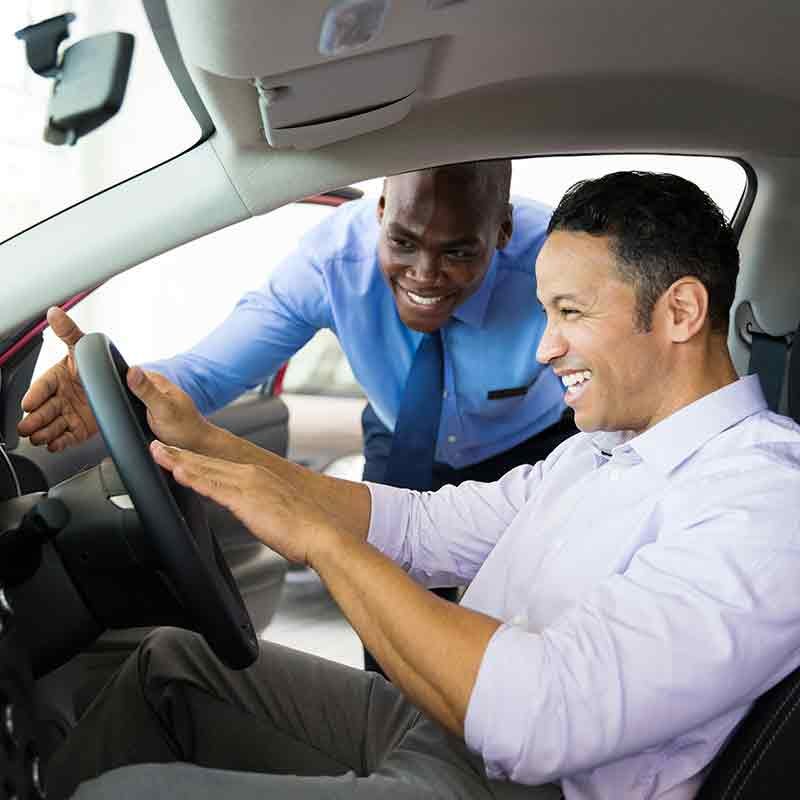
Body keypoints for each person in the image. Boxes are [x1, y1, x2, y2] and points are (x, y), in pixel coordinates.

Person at [46, 171, 800, 800]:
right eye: (545, 312)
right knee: (170, 666)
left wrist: (317, 539)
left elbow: (541, 723)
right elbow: (418, 528)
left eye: (570, 313)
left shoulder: (763, 500)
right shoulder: (599, 453)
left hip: (519, 786)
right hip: (444, 732)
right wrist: (209, 443)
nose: (542, 348)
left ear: (681, 311)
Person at [19, 160, 574, 672]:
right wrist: (119, 388)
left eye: (458, 253)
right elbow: (211, 372)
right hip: (402, 433)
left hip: (530, 446)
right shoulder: (332, 260)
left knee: (529, 622)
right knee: (388, 620)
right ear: (380, 210)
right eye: (403, 241)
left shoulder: (556, 266)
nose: (425, 274)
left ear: (500, 232)